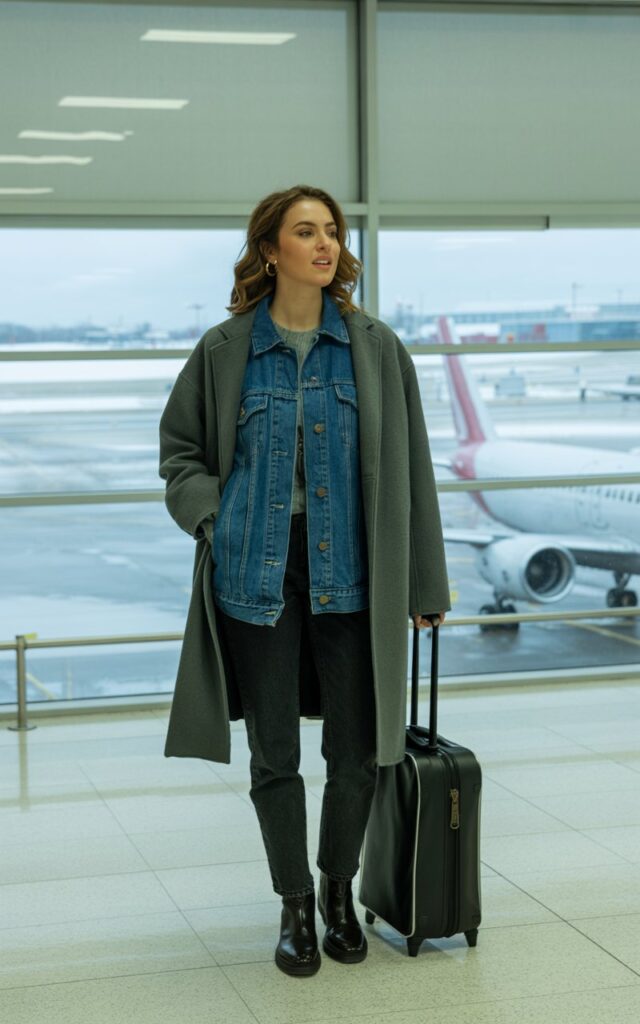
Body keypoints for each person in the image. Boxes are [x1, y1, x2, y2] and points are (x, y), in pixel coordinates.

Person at [158, 184, 451, 977]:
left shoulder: (375, 347)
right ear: (269, 251)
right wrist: (215, 523)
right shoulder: (224, 351)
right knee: (275, 755)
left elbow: (414, 471)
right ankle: (292, 905)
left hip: (353, 572)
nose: (325, 245)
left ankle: (337, 891)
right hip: (255, 575)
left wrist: (426, 582)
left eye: (332, 232)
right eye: (306, 231)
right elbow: (180, 453)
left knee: (357, 752)